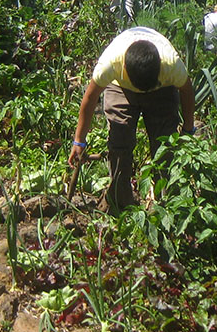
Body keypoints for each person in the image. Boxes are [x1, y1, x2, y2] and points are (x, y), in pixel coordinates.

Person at [69, 27, 196, 212]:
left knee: (166, 143)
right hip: (120, 87)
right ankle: (120, 202)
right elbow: (89, 98)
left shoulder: (170, 64)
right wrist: (79, 141)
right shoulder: (111, 64)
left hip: (161, 90)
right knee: (120, 140)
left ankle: (167, 202)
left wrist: (188, 129)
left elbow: (187, 91)